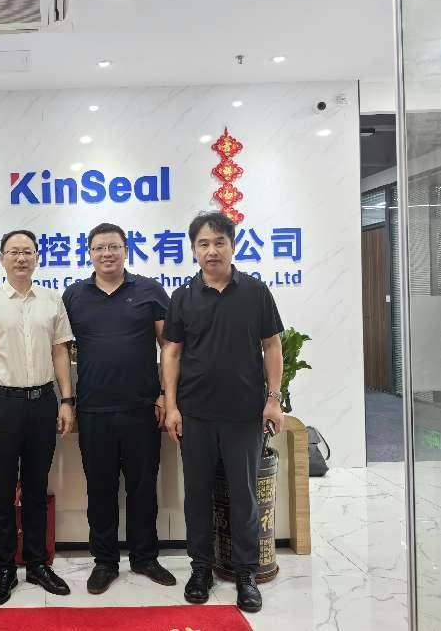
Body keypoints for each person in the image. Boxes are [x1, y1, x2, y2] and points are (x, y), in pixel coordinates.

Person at [161, 211, 284, 614]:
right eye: (203, 244)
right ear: (193, 250)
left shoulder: (255, 292)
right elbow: (172, 353)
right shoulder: (183, 297)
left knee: (244, 496)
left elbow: (272, 346)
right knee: (197, 495)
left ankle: (246, 573)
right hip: (195, 414)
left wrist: (273, 399)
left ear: (233, 245)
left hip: (244, 415)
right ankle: (200, 569)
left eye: (219, 242)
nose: (211, 250)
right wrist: (172, 406)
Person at [62, 222, 175, 595]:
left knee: (143, 488)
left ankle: (145, 557)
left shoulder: (149, 290)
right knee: (100, 489)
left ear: (126, 249)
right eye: (99, 247)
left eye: (113, 246)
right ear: (89, 253)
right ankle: (105, 561)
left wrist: (165, 394)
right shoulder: (74, 296)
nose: (106, 253)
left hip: (142, 408)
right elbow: (62, 349)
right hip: (94, 410)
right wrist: (67, 400)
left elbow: (169, 348)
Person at [0, 229, 75, 606]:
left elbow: (60, 352)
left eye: (27, 251)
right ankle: (5, 567)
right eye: (13, 252)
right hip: (1, 404)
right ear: (2, 258)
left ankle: (37, 563)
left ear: (37, 257)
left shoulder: (52, 300)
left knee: (36, 486)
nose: (21, 258)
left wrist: (66, 400)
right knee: (2, 489)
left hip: (43, 402)